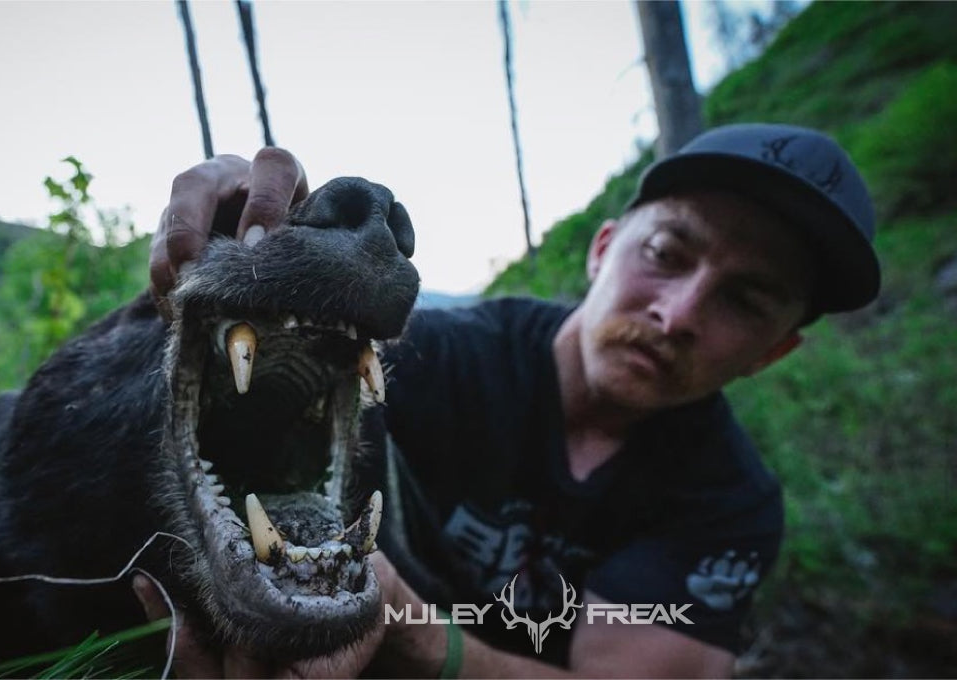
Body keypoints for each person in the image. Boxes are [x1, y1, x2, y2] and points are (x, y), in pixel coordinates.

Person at [132, 123, 880, 678]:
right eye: (667, 254)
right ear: (602, 248)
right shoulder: (439, 358)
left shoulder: (728, 502)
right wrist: (238, 249)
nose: (678, 315)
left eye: (745, 301)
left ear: (774, 351)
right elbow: (246, 386)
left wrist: (412, 628)